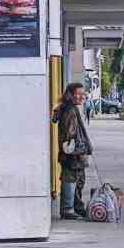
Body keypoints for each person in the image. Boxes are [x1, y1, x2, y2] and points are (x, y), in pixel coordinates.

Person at [53, 83, 92, 220]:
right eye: (79, 93)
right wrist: (79, 149)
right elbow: (70, 135)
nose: (83, 96)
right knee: (71, 179)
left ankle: (76, 207)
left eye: (83, 93)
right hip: (72, 154)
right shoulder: (69, 111)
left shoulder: (70, 109)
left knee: (78, 179)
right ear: (70, 94)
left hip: (73, 153)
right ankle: (67, 209)